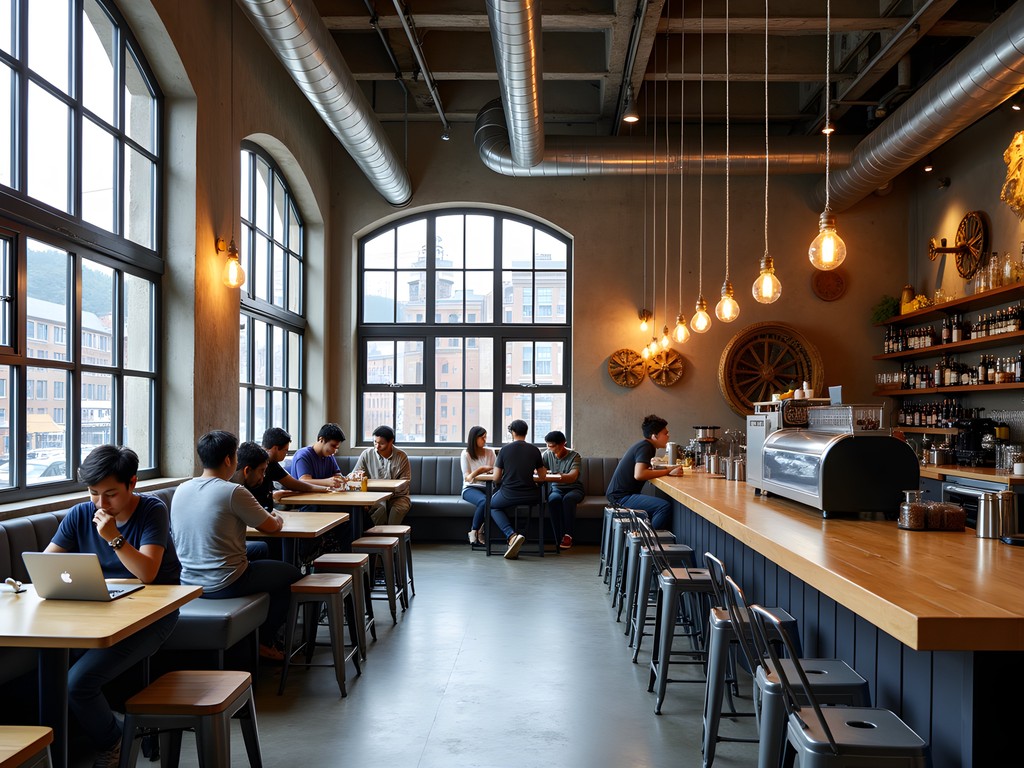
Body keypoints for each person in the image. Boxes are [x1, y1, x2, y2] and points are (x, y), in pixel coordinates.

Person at [44, 445, 181, 768]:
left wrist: (113, 537)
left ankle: (114, 740)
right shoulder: (80, 514)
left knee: (77, 683)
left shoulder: (152, 510)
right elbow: (47, 563)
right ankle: (121, 732)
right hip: (97, 615)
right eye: (93, 493)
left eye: (110, 494)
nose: (100, 504)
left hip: (152, 615)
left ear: (132, 483)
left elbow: (147, 572)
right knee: (47, 674)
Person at [170, 430, 301, 662]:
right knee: (291, 574)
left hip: (188, 579)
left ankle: (257, 626)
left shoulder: (182, 489)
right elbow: (272, 527)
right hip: (225, 582)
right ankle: (265, 639)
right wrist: (278, 518)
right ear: (230, 460)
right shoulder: (233, 491)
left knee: (260, 548)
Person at [606, 414, 684, 530]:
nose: (668, 436)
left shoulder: (645, 446)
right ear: (654, 436)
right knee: (663, 507)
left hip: (619, 495)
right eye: (665, 433)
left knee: (659, 506)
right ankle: (652, 544)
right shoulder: (645, 447)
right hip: (621, 497)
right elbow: (639, 474)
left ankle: (648, 541)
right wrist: (668, 471)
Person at [490, 419, 546, 559]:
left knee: (492, 506)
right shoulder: (535, 450)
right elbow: (542, 476)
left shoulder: (504, 450)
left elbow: (496, 478)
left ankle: (511, 535)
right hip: (532, 495)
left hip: (508, 494)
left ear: (512, 432)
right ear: (526, 432)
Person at [352, 425, 412, 525]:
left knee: (397, 510)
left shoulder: (401, 456)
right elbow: (355, 475)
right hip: (374, 496)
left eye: (381, 443)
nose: (377, 446)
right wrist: (356, 477)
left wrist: (391, 492)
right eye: (375, 442)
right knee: (380, 509)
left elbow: (405, 482)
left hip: (398, 497)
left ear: (391, 441)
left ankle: (391, 538)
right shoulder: (366, 454)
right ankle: (377, 538)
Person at [541, 430, 584, 550]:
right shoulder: (547, 454)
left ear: (562, 444)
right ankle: (557, 535)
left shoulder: (575, 456)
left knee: (568, 499)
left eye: (551, 445)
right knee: (553, 499)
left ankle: (568, 535)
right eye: (547, 445)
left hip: (574, 488)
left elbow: (572, 477)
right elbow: (540, 471)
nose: (548, 448)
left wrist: (553, 475)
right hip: (556, 489)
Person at [460, 425, 496, 545]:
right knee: (484, 502)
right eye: (482, 438)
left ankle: (478, 530)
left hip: (488, 487)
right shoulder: (465, 454)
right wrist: (480, 470)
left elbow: (495, 472)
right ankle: (475, 531)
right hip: (470, 488)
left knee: (496, 501)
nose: (485, 440)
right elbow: (468, 478)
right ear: (474, 438)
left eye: (486, 437)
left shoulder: (490, 453)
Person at [291, 423, 346, 489]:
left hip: (322, 496)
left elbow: (338, 476)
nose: (335, 451)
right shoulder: (303, 455)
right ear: (321, 439)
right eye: (333, 446)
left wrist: (347, 478)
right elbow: (304, 481)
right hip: (303, 497)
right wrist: (327, 482)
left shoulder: (329, 456)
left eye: (337, 448)